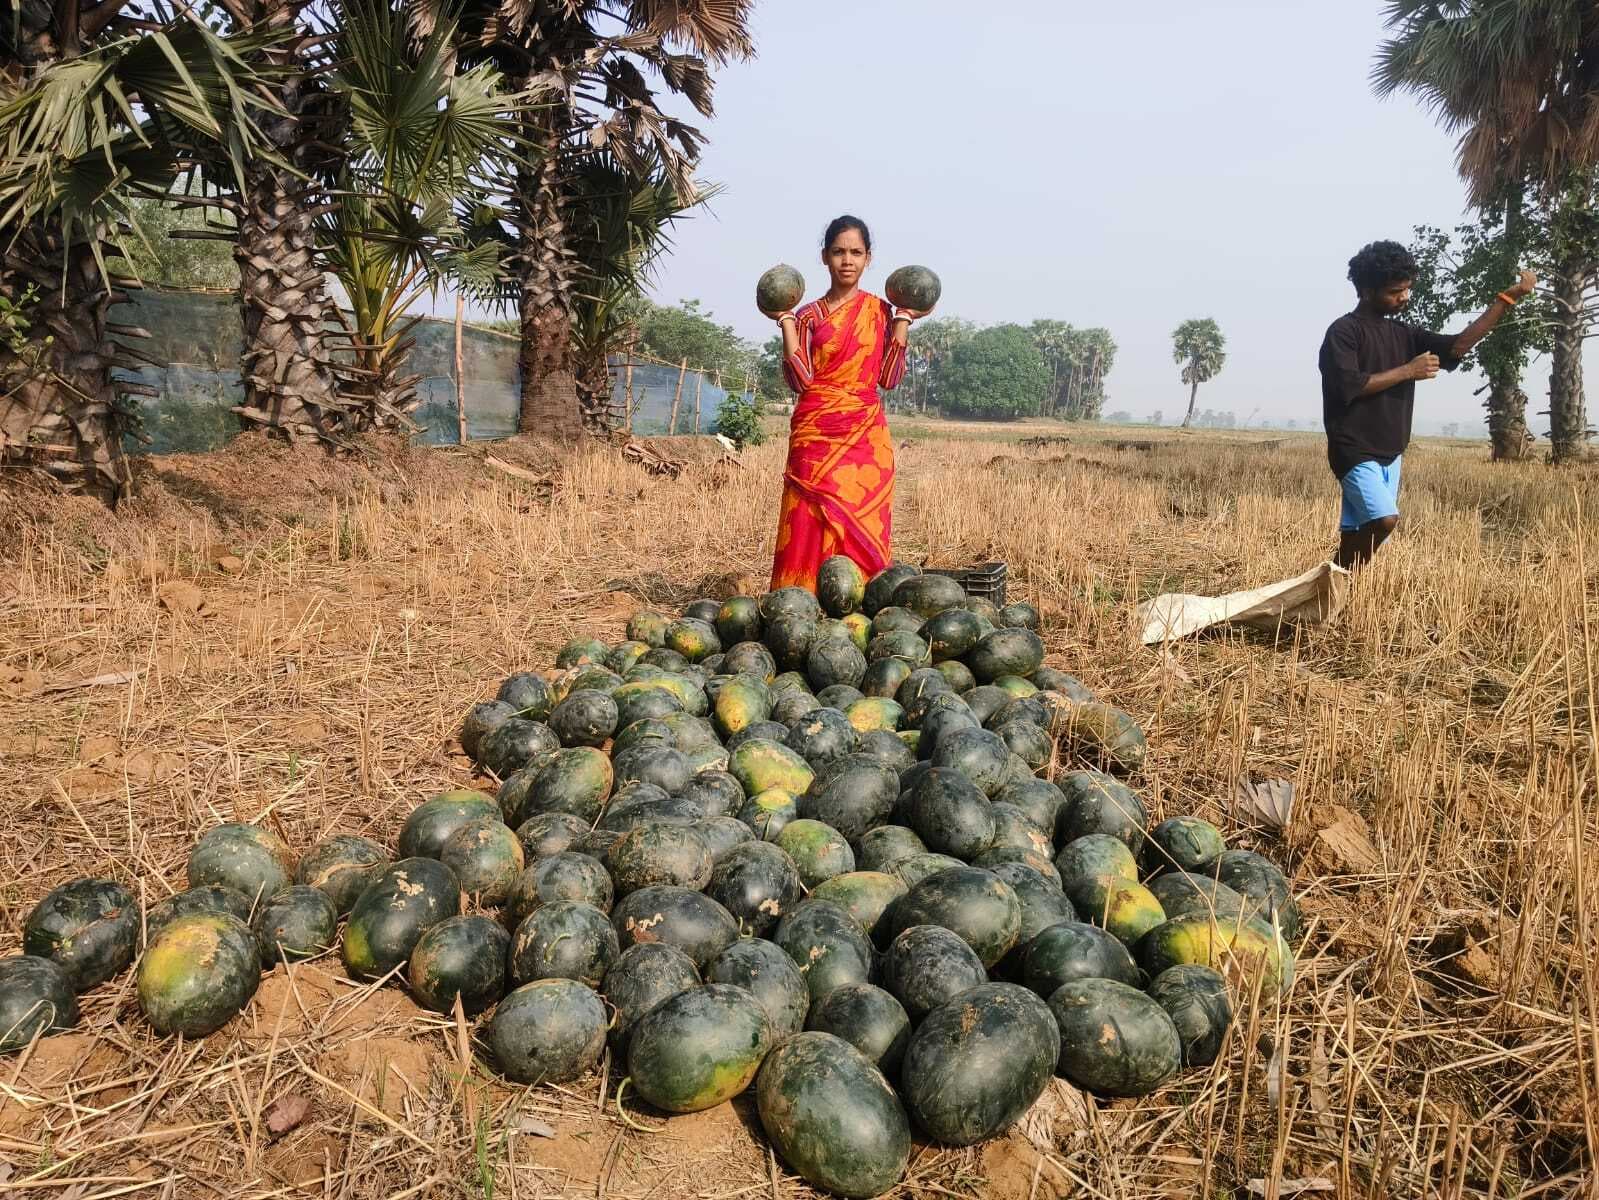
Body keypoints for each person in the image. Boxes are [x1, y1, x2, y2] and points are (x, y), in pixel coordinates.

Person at [1319, 240, 1535, 569]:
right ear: (1366, 290)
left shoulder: (1404, 333)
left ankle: (1329, 598)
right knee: (1384, 521)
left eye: (1407, 289)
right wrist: (1409, 370)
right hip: (1353, 449)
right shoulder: (1344, 333)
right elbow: (1350, 385)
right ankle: (1326, 586)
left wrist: (1507, 299)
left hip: (1391, 453)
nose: (1404, 297)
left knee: (1357, 534)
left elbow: (1459, 346)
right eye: (1395, 291)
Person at [764, 215, 930, 592]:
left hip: (864, 437)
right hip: (814, 434)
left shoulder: (881, 312)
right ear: (825, 257)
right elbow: (800, 380)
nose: (847, 260)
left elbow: (888, 378)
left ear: (868, 258)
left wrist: (904, 318)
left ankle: (861, 608)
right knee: (807, 521)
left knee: (863, 524)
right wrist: (786, 322)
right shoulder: (807, 316)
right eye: (839, 252)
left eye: (856, 252)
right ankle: (798, 603)